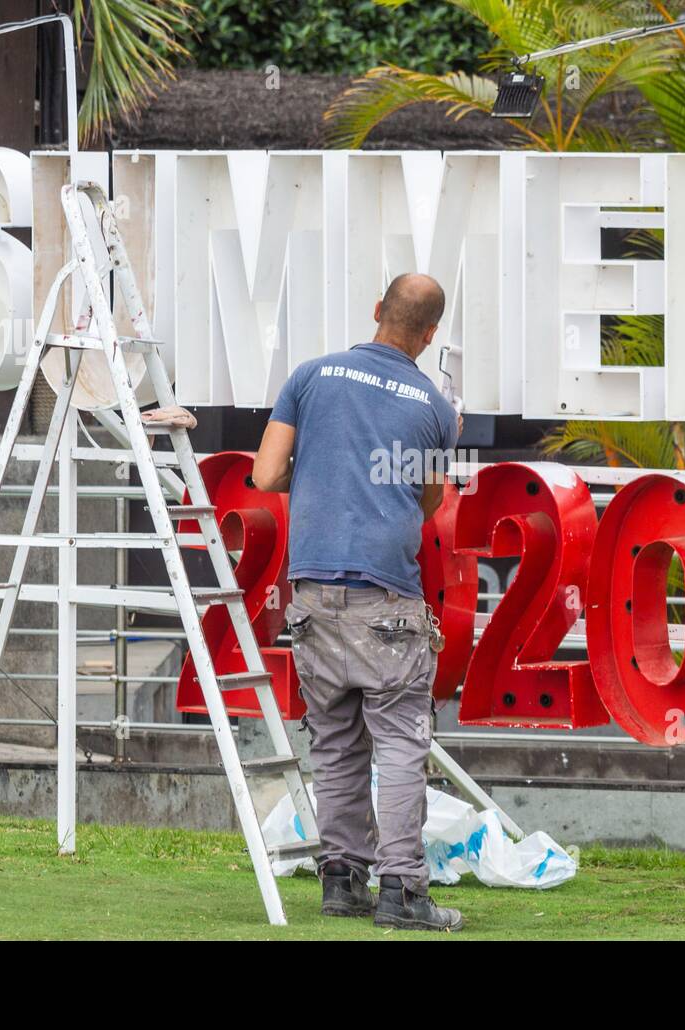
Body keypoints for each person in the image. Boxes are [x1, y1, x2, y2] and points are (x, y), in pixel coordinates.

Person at [252, 273, 463, 931]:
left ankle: (341, 883)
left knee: (337, 744)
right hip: (388, 602)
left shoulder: (311, 376)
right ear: (429, 335)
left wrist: (313, 471)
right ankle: (402, 894)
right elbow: (429, 502)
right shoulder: (434, 406)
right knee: (400, 745)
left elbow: (263, 475)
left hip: (312, 597)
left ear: (376, 310)